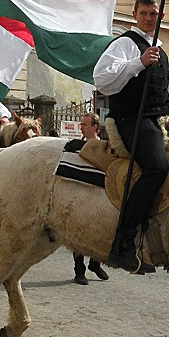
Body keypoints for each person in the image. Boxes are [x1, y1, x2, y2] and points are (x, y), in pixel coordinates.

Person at [93, 0, 169, 274]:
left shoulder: (162, 53)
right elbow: (102, 78)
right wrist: (137, 62)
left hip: (156, 120)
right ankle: (121, 243)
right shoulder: (126, 43)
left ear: (160, 17)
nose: (148, 18)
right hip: (131, 120)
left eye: (153, 13)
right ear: (135, 15)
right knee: (157, 169)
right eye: (144, 13)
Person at [71, 112, 110, 285]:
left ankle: (95, 263)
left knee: (100, 231)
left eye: (85, 124)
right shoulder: (77, 147)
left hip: (100, 194)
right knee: (77, 232)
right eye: (81, 124)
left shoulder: (106, 147)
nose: (82, 127)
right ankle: (79, 271)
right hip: (81, 195)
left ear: (95, 127)